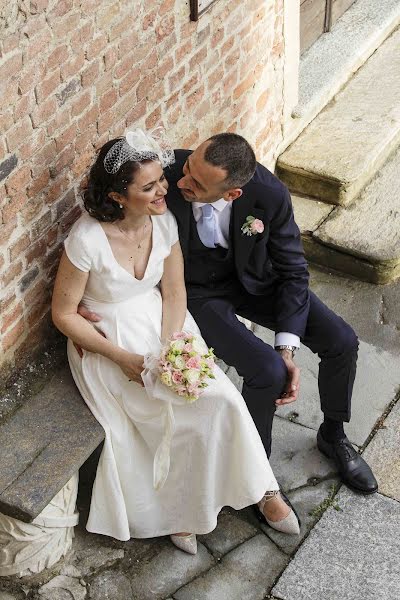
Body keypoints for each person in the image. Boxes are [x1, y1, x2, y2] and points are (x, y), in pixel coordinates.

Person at [52, 129, 300, 557]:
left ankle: (262, 489)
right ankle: (179, 511)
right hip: (107, 343)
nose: (164, 190)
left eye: (161, 181)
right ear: (117, 195)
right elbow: (63, 313)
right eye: (149, 187)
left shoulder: (164, 221)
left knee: (221, 398)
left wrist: (174, 345)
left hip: (164, 324)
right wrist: (124, 358)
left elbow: (174, 291)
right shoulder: (86, 240)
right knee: (163, 414)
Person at [160, 132, 378, 498]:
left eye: (196, 183)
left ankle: (333, 434)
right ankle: (256, 470)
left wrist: (286, 348)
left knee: (341, 340)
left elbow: (294, 270)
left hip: (259, 283)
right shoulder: (167, 175)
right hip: (199, 292)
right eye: (187, 169)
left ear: (233, 194)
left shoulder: (270, 194)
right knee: (266, 371)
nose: (183, 182)